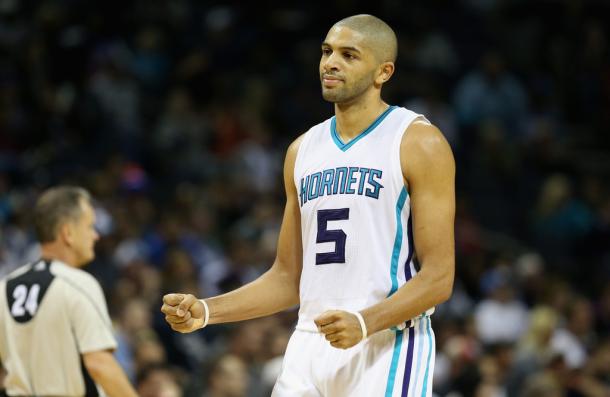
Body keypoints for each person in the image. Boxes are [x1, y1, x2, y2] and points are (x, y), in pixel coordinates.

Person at [162, 14, 455, 396]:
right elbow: (287, 279)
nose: (331, 62)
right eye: (327, 51)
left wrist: (365, 323)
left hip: (387, 342)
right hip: (309, 343)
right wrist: (205, 311)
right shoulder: (301, 151)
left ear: (383, 72)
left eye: (349, 55)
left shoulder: (417, 141)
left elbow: (439, 277)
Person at [0, 186, 138, 397]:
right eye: (90, 226)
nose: (95, 236)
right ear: (68, 233)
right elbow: (99, 364)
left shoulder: (5, 286)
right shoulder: (78, 284)